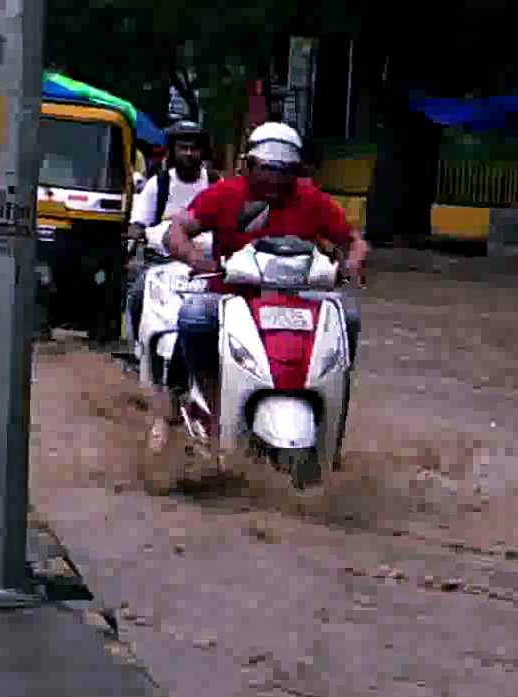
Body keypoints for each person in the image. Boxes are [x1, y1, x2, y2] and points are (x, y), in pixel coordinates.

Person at [156, 122, 369, 451]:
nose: (273, 179)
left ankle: (332, 428)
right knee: (194, 315)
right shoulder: (225, 195)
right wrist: (198, 260)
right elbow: (177, 231)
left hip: (300, 298)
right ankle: (201, 399)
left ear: (296, 171)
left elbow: (353, 241)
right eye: (266, 169)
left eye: (283, 171)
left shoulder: (313, 201)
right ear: (250, 166)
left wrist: (352, 262)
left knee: (348, 317)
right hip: (233, 295)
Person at [126, 121, 217, 341]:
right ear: (173, 151)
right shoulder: (158, 184)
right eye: (182, 148)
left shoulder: (215, 184)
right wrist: (137, 233)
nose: (188, 153)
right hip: (161, 264)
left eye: (194, 148)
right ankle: (141, 346)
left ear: (203, 152)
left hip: (205, 266)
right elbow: (138, 222)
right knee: (138, 295)